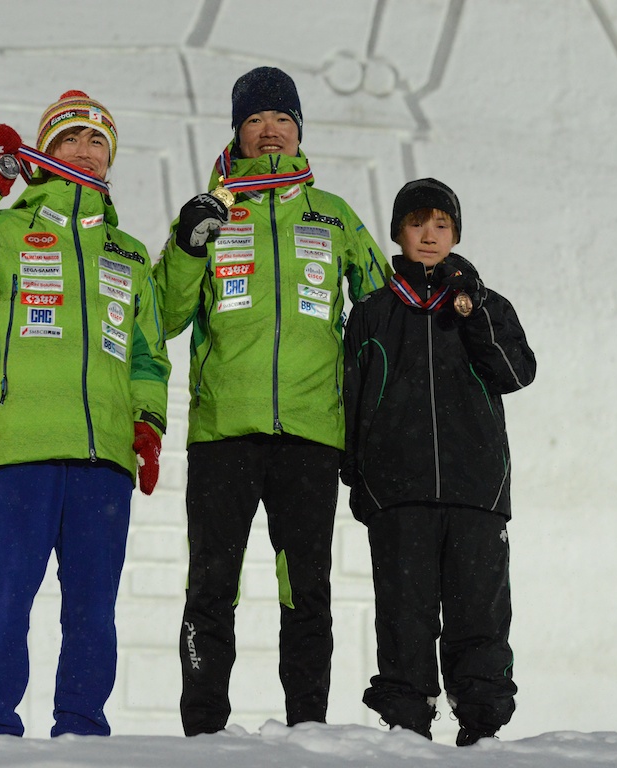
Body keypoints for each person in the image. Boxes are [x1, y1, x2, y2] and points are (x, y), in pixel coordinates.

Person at [0, 90, 170, 737]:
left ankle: (82, 731)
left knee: (93, 612)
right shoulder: (3, 233)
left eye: (97, 143)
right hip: (20, 451)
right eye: (70, 140)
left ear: (110, 160)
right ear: (44, 154)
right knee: (0, 605)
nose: (85, 151)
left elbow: (147, 357)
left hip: (103, 459)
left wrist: (147, 424)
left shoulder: (128, 253)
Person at [153, 66, 391, 736]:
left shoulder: (333, 214)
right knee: (211, 588)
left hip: (312, 433)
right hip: (223, 431)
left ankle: (308, 728)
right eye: (256, 120)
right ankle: (202, 730)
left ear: (298, 131)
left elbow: (379, 313)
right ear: (237, 130)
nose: (270, 132)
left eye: (282, 120)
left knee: (306, 590)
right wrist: (186, 244)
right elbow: (163, 316)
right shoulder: (207, 212)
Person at [341, 178, 536, 746]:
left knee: (479, 613)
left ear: (455, 234)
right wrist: (358, 475)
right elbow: (351, 397)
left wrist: (472, 311)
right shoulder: (374, 312)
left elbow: (516, 371)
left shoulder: (486, 303)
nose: (429, 236)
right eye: (417, 224)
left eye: (441, 225)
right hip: (398, 492)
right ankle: (406, 724)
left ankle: (482, 724)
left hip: (476, 488)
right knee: (405, 612)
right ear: (398, 232)